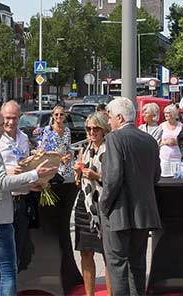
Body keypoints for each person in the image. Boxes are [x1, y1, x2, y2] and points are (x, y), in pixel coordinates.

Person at [0, 105, 57, 296]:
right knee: (8, 271)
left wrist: (29, 186)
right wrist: (34, 174)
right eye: (0, 123)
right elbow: (1, 182)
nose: (4, 126)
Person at [100, 97, 161, 296]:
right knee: (137, 264)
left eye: (109, 117)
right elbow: (155, 176)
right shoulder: (149, 139)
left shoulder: (114, 138)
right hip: (143, 213)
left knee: (117, 266)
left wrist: (104, 205)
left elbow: (113, 177)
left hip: (119, 212)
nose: (108, 122)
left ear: (119, 117)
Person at [0, 100, 32, 295]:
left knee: (16, 254)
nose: (10, 123)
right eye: (6, 118)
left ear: (20, 118)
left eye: (14, 118)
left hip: (22, 201)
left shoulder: (24, 138)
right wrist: (9, 171)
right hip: (4, 201)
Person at [74, 113, 113, 296]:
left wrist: (96, 176)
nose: (91, 132)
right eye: (88, 128)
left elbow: (115, 180)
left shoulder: (110, 150)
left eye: (95, 128)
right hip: (86, 206)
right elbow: (78, 183)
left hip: (104, 206)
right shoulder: (85, 148)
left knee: (107, 254)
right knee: (85, 252)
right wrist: (78, 172)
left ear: (104, 129)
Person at [38, 105, 74, 182]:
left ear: (65, 116)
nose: (59, 116)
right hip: (53, 167)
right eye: (56, 114)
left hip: (66, 167)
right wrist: (59, 158)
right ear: (53, 116)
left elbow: (69, 147)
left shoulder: (67, 130)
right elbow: (44, 149)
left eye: (61, 114)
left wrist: (69, 155)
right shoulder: (48, 130)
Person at [158, 104, 183, 177]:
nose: (166, 115)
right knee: (164, 178)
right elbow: (158, 142)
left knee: (177, 179)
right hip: (164, 159)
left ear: (174, 113)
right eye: (165, 113)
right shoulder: (161, 126)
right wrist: (166, 142)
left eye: (168, 113)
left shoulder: (181, 126)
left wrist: (176, 142)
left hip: (177, 158)